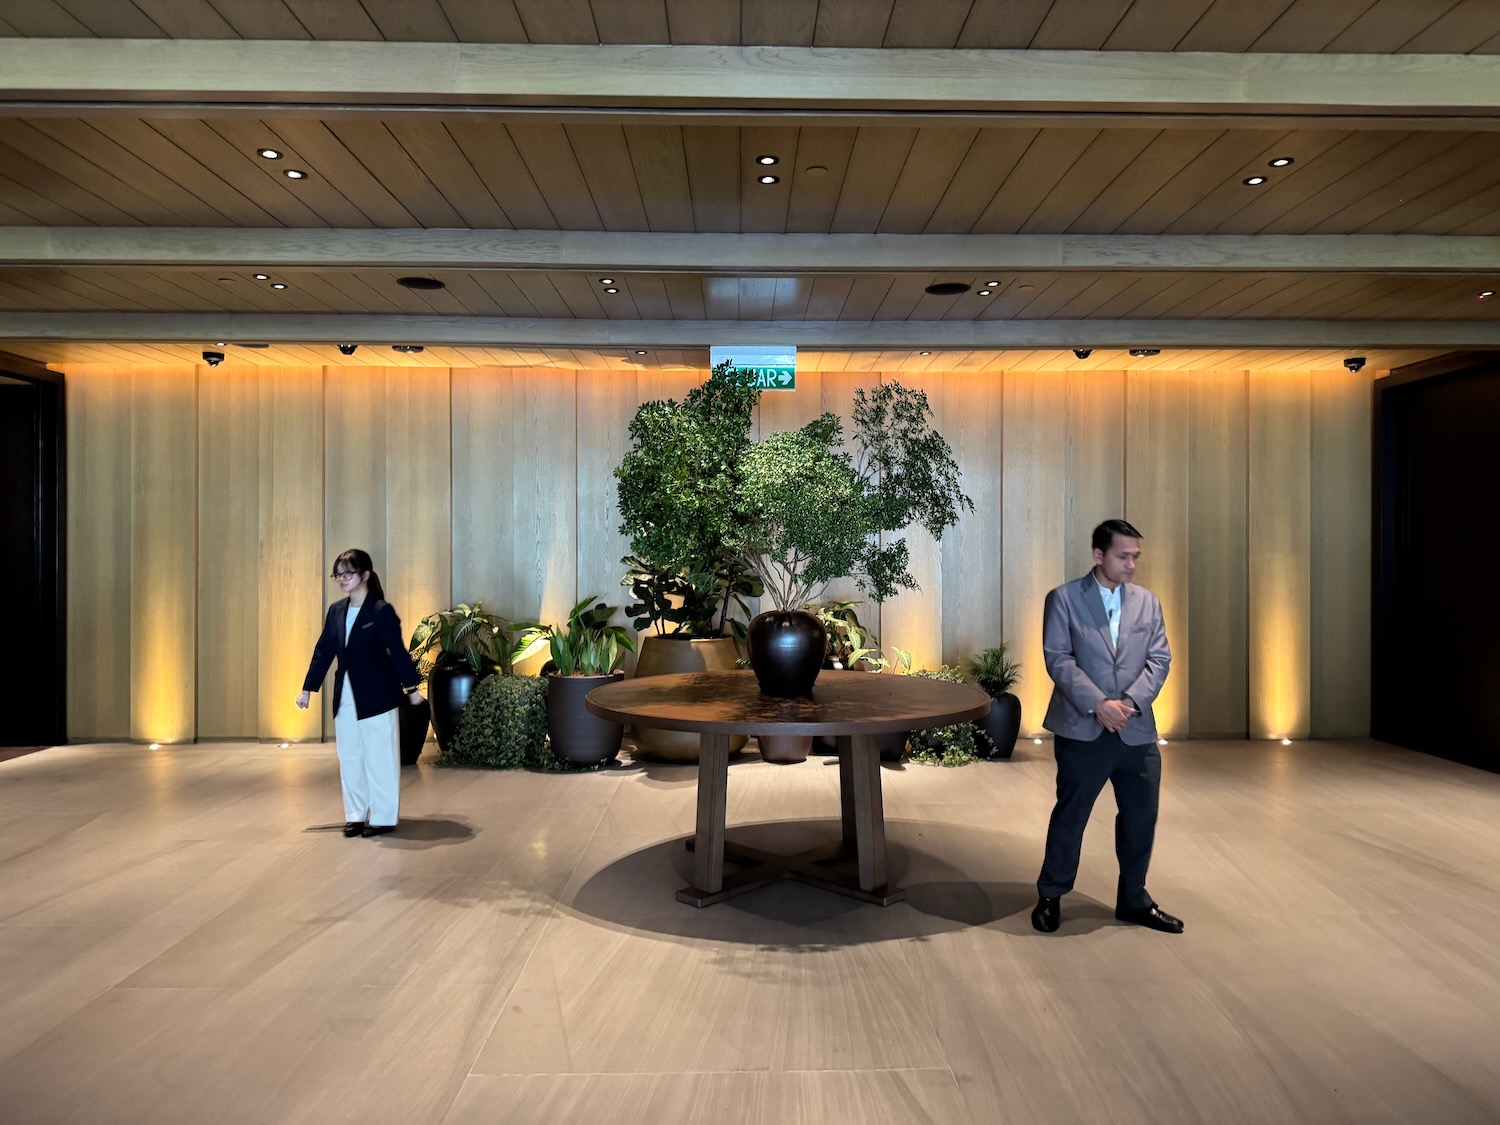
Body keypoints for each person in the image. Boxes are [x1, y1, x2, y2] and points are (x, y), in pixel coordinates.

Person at [1031, 519, 1181, 934]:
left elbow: (1160, 659)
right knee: (1071, 815)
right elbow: (1058, 658)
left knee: (1141, 818)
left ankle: (1133, 899)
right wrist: (1098, 704)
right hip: (1083, 729)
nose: (1132, 564)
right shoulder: (1063, 599)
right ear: (1099, 555)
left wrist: (1129, 702)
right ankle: (1050, 895)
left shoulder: (1148, 602)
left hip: (1135, 730)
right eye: (1123, 556)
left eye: (1136, 557)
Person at [296, 549, 424, 838]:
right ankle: (354, 816)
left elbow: (398, 652)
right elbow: (323, 651)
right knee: (350, 757)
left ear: (365, 575)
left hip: (378, 696)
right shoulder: (336, 611)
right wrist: (308, 689)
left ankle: (383, 817)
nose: (342, 579)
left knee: (380, 758)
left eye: (348, 573)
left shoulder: (380, 611)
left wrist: (412, 689)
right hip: (346, 696)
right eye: (338, 574)